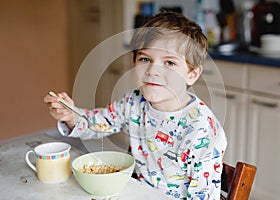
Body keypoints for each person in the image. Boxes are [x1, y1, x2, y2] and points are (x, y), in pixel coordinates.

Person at [44, 11, 227, 199]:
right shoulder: (134, 101)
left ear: (192, 74)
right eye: (145, 59)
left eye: (169, 63)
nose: (152, 70)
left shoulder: (202, 130)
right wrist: (71, 117)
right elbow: (100, 123)